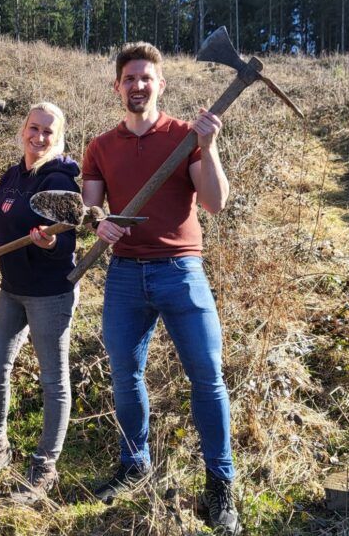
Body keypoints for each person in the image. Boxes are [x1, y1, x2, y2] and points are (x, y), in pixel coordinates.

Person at [81, 42, 241, 535]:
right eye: (129, 78)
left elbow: (215, 202)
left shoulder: (184, 136)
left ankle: (220, 485)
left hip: (181, 270)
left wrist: (208, 146)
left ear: (160, 85)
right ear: (117, 87)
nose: (138, 85)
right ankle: (135, 464)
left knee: (207, 375)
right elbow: (90, 207)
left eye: (146, 78)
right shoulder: (100, 146)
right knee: (125, 375)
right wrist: (98, 222)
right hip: (125, 274)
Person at [0, 102, 79, 504]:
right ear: (23, 130)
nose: (39, 137)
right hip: (11, 288)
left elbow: (67, 242)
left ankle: (45, 465)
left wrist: (50, 243)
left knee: (53, 380)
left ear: (58, 137)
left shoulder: (60, 179)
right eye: (34, 128)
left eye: (48, 131)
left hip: (50, 293)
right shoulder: (11, 177)